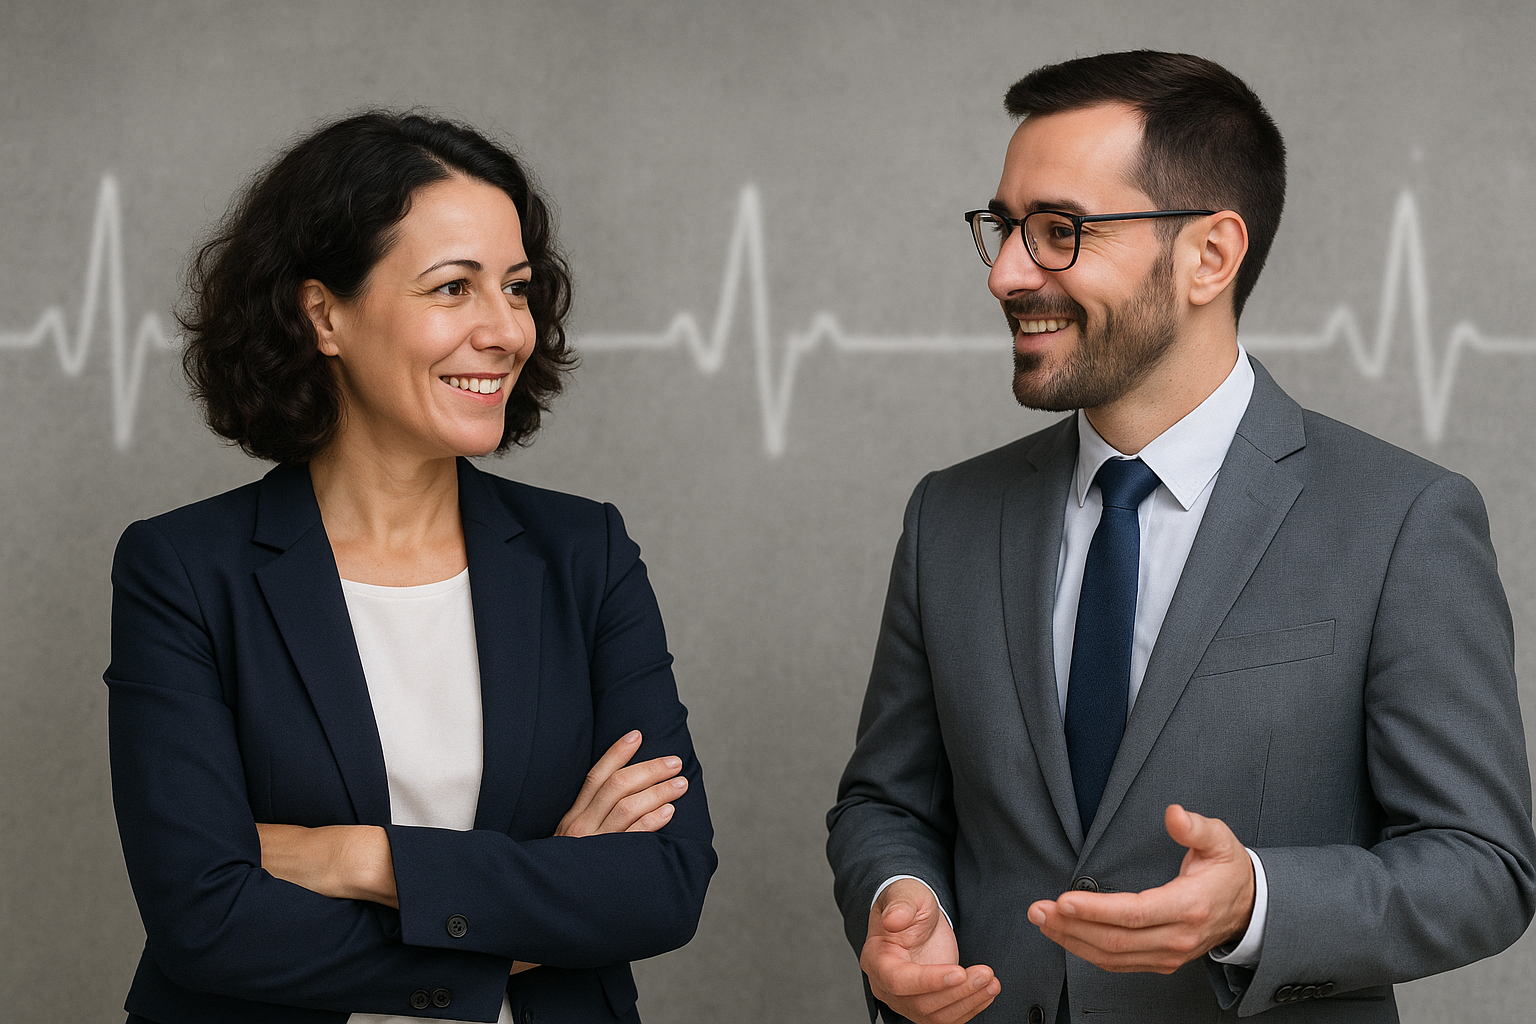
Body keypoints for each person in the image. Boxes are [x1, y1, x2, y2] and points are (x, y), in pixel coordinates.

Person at [826, 50, 1536, 1024]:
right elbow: (888, 803)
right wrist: (900, 897)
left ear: (1210, 254)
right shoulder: (949, 515)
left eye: (1059, 231)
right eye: (1002, 227)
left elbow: (1483, 868)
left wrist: (1255, 902)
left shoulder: (1400, 521)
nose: (1004, 271)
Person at [106, 110, 715, 1024]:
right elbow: (207, 917)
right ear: (324, 316)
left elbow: (662, 880)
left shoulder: (583, 554)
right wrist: (532, 903)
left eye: (516, 287)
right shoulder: (186, 571)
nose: (507, 330)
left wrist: (362, 861)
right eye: (452, 289)